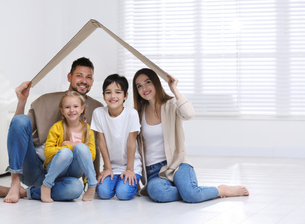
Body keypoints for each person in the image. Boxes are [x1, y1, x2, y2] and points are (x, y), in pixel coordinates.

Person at [0, 57, 102, 203]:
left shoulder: (97, 109)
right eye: (79, 75)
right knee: (20, 120)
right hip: (35, 167)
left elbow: (94, 149)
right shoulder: (45, 101)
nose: (84, 81)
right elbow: (18, 128)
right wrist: (22, 102)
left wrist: (93, 178)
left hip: (66, 175)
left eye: (89, 77)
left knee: (75, 189)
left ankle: (26, 192)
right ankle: (15, 184)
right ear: (69, 77)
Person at [132, 68, 249, 203]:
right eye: (139, 86)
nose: (144, 88)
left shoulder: (170, 104)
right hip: (154, 172)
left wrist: (173, 88)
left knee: (191, 196)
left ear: (156, 83)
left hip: (177, 165)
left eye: (148, 82)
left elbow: (189, 114)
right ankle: (190, 189)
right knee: (157, 192)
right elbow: (133, 147)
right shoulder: (138, 113)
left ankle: (220, 190)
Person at [28, 91, 97, 202]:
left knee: (76, 189)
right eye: (67, 107)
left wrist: (74, 145)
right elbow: (48, 151)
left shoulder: (87, 129)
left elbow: (91, 155)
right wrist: (69, 147)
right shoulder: (57, 127)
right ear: (62, 111)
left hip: (74, 172)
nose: (72, 110)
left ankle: (92, 184)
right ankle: (47, 185)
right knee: (66, 153)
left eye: (75, 106)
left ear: (82, 109)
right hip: (56, 168)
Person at [90, 74, 142, 200]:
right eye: (108, 92)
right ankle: (121, 181)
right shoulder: (98, 113)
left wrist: (129, 170)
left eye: (118, 92)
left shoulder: (131, 114)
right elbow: (101, 143)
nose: (113, 96)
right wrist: (107, 168)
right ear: (103, 96)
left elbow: (131, 143)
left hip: (131, 165)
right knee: (103, 193)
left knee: (123, 194)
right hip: (112, 166)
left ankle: (135, 184)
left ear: (125, 96)